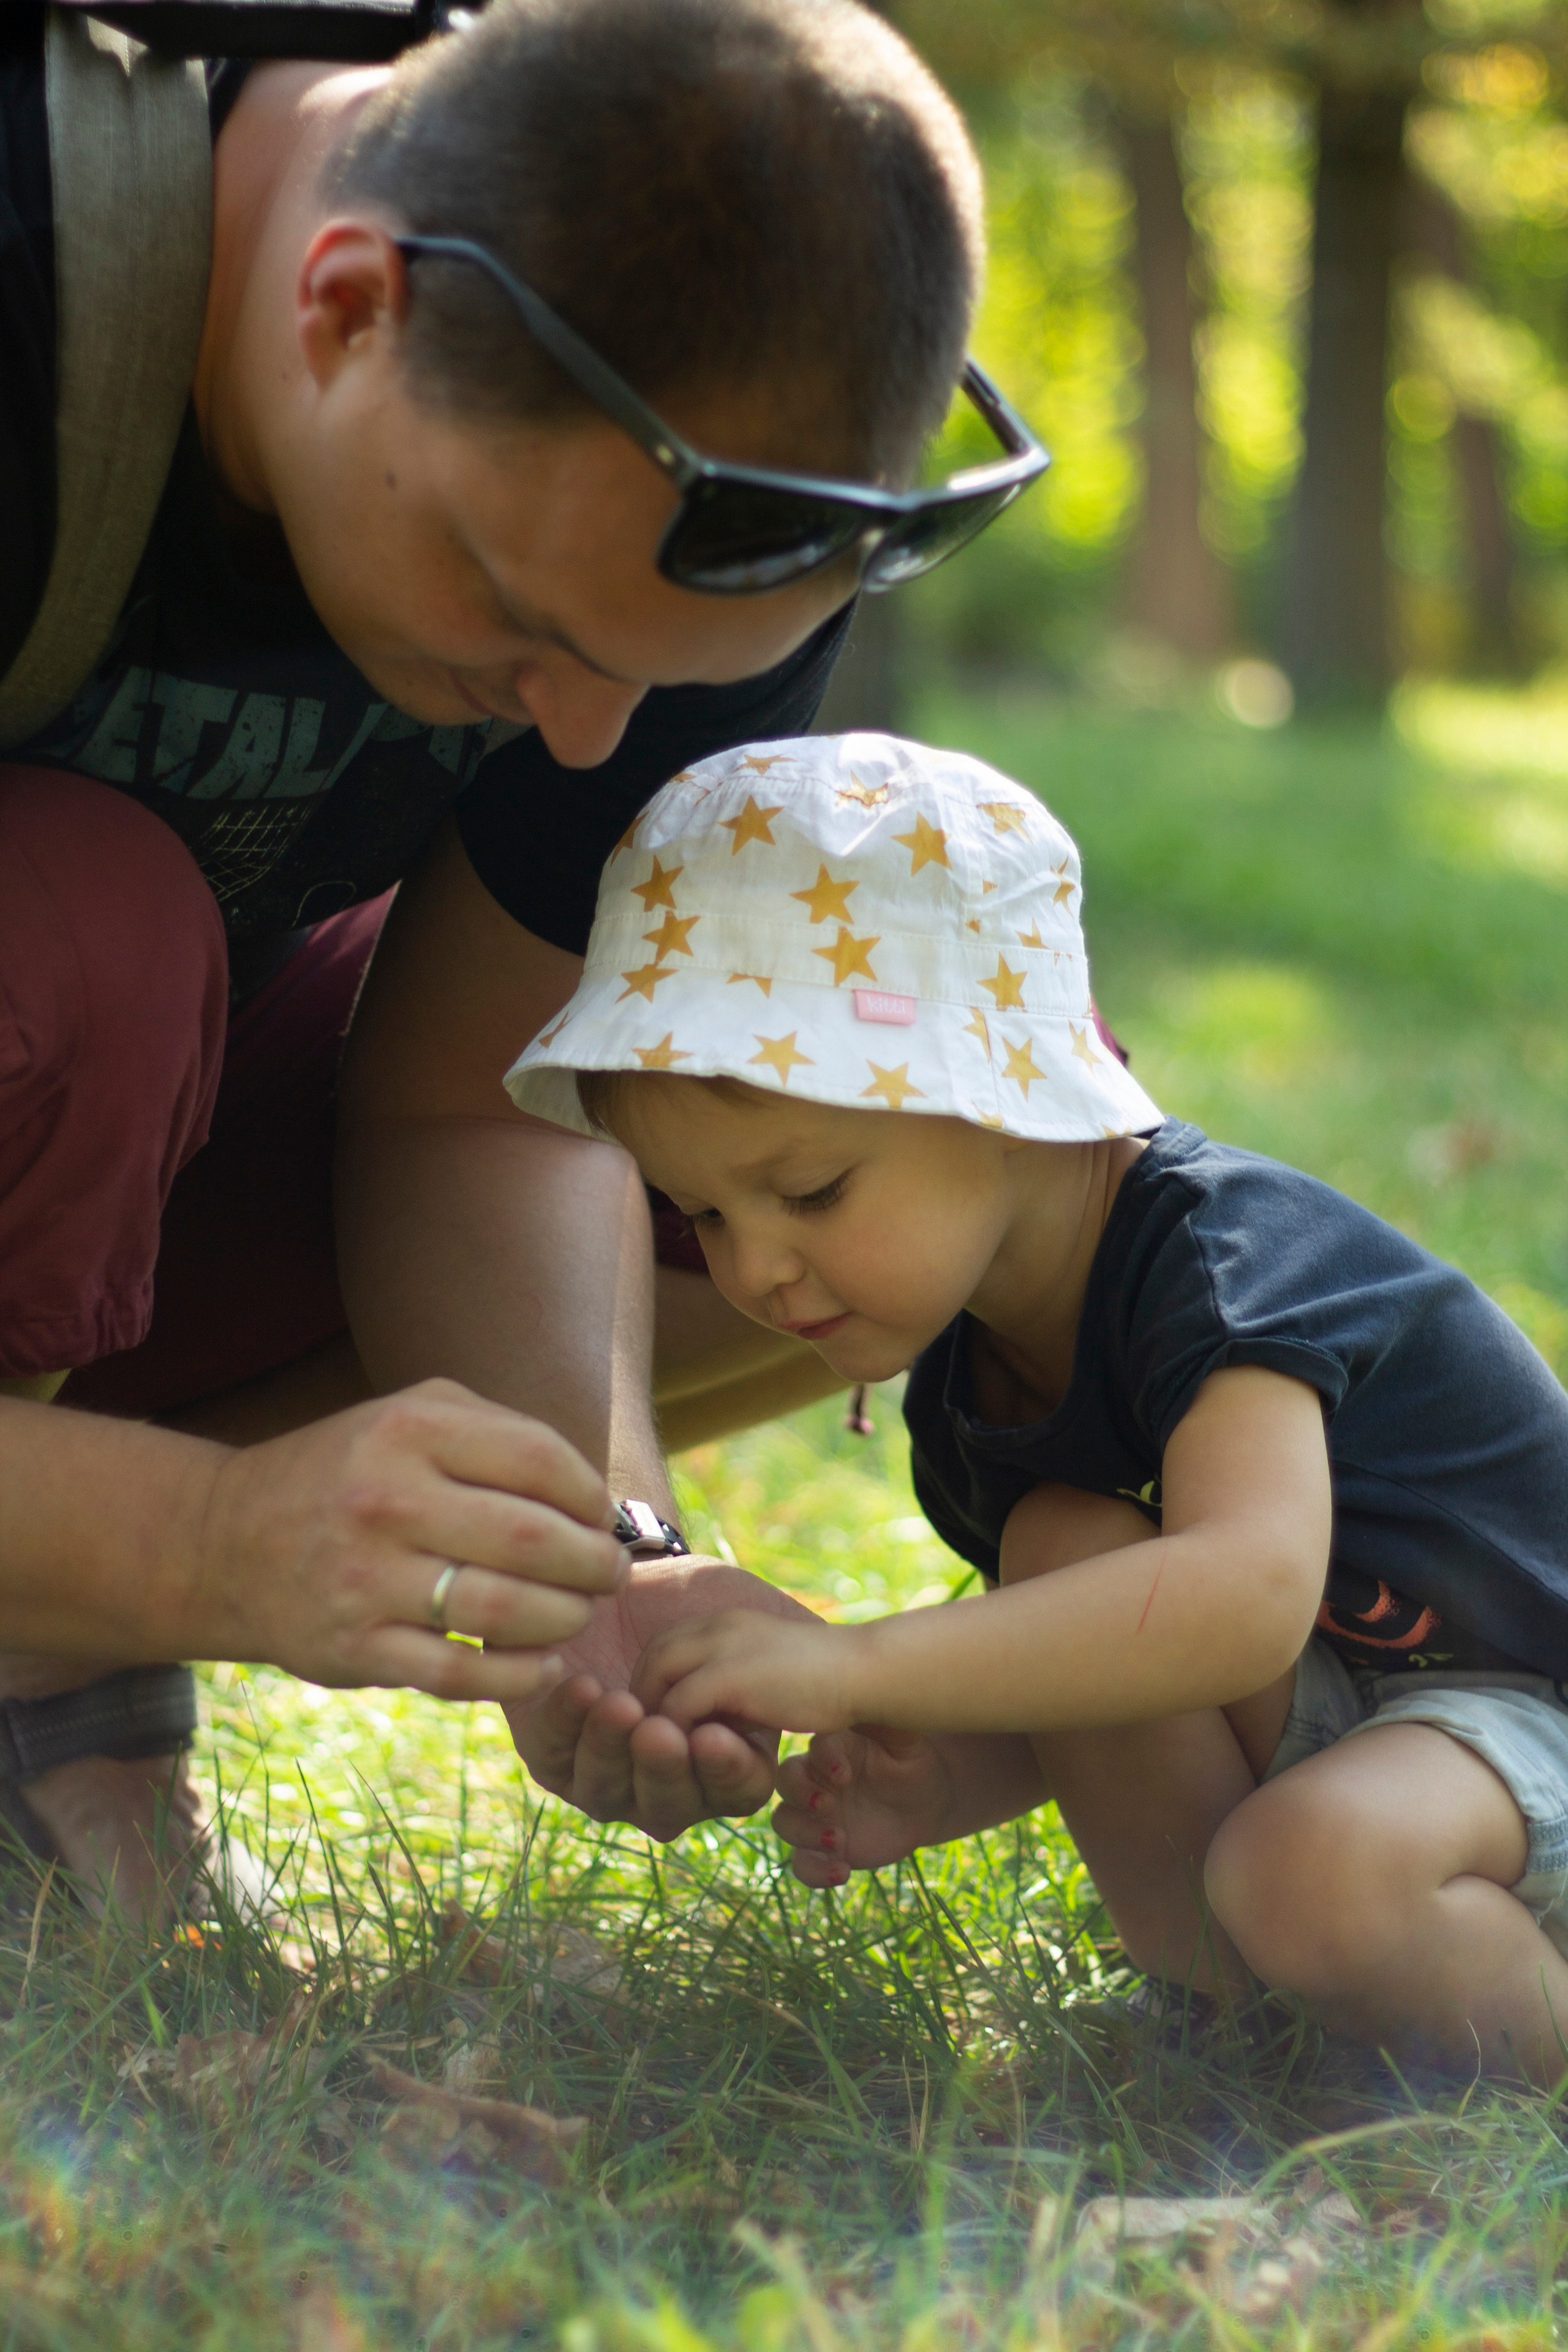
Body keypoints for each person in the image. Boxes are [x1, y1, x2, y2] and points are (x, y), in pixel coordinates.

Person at [0, 0, 1040, 1906]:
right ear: (344, 307)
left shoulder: (704, 511)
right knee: (86, 937)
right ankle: (77, 1577)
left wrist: (604, 1559)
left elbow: (476, 1103)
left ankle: (37, 1624)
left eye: (656, 679)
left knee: (915, 1122)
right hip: (64, 1035)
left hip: (124, 1189)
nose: (579, 738)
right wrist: (202, 1540)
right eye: (516, 613)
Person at [503, 730, 1568, 2084]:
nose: (753, 1268)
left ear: (1007, 1100)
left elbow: (1239, 1593)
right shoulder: (972, 1387)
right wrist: (940, 1780)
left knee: (1307, 1866)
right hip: (1361, 1726)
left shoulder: (1221, 1262)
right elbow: (1102, 1671)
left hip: (1524, 1700)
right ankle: (1234, 2043)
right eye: (702, 1213)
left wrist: (861, 1663)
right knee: (1061, 1549)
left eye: (812, 1189)